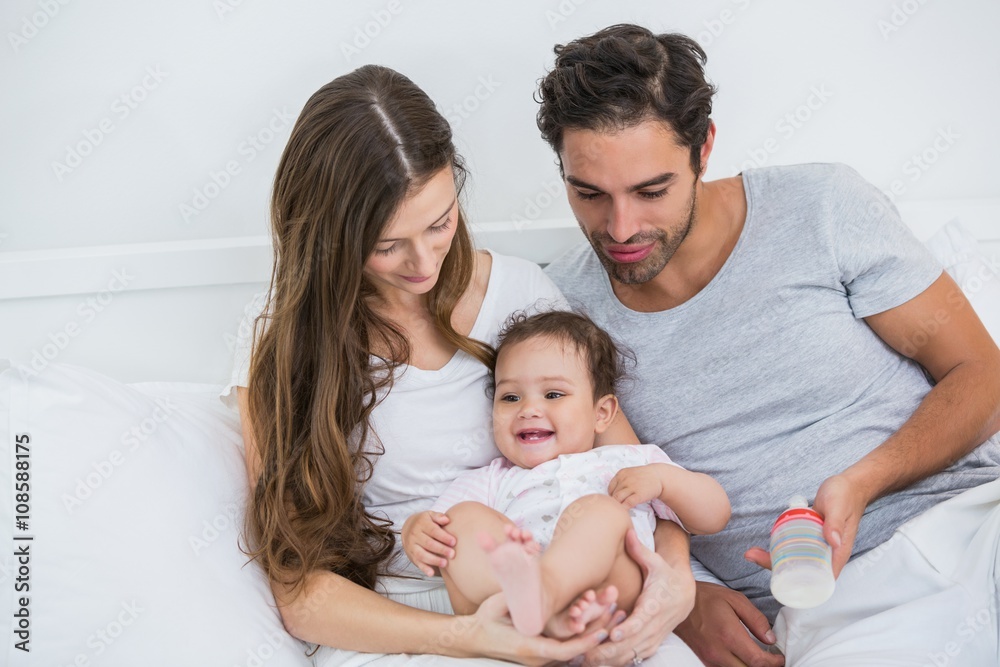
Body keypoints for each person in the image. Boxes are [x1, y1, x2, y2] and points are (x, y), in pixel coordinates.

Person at [538, 24, 1000, 667]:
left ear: (704, 149)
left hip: (974, 525)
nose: (620, 229)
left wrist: (864, 482)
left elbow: (983, 373)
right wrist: (688, 596)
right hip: (827, 606)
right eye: (588, 194)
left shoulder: (821, 206)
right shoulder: (562, 312)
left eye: (651, 191)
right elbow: (610, 487)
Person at [221, 64, 701, 666]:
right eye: (386, 245)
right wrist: (468, 636)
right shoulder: (282, 338)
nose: (422, 263)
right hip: (400, 622)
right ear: (329, 239)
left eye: (440, 223)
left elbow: (629, 472)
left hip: (569, 586)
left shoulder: (521, 295)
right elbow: (299, 593)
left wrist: (676, 582)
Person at [403, 310, 730, 638]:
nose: (528, 409)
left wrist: (664, 481)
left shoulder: (632, 461)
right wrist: (416, 529)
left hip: (610, 595)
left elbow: (714, 515)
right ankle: (538, 611)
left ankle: (545, 599)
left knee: (600, 511)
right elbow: (442, 530)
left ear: (601, 414)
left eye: (553, 395)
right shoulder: (494, 478)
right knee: (462, 519)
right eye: (510, 397)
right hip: (509, 611)